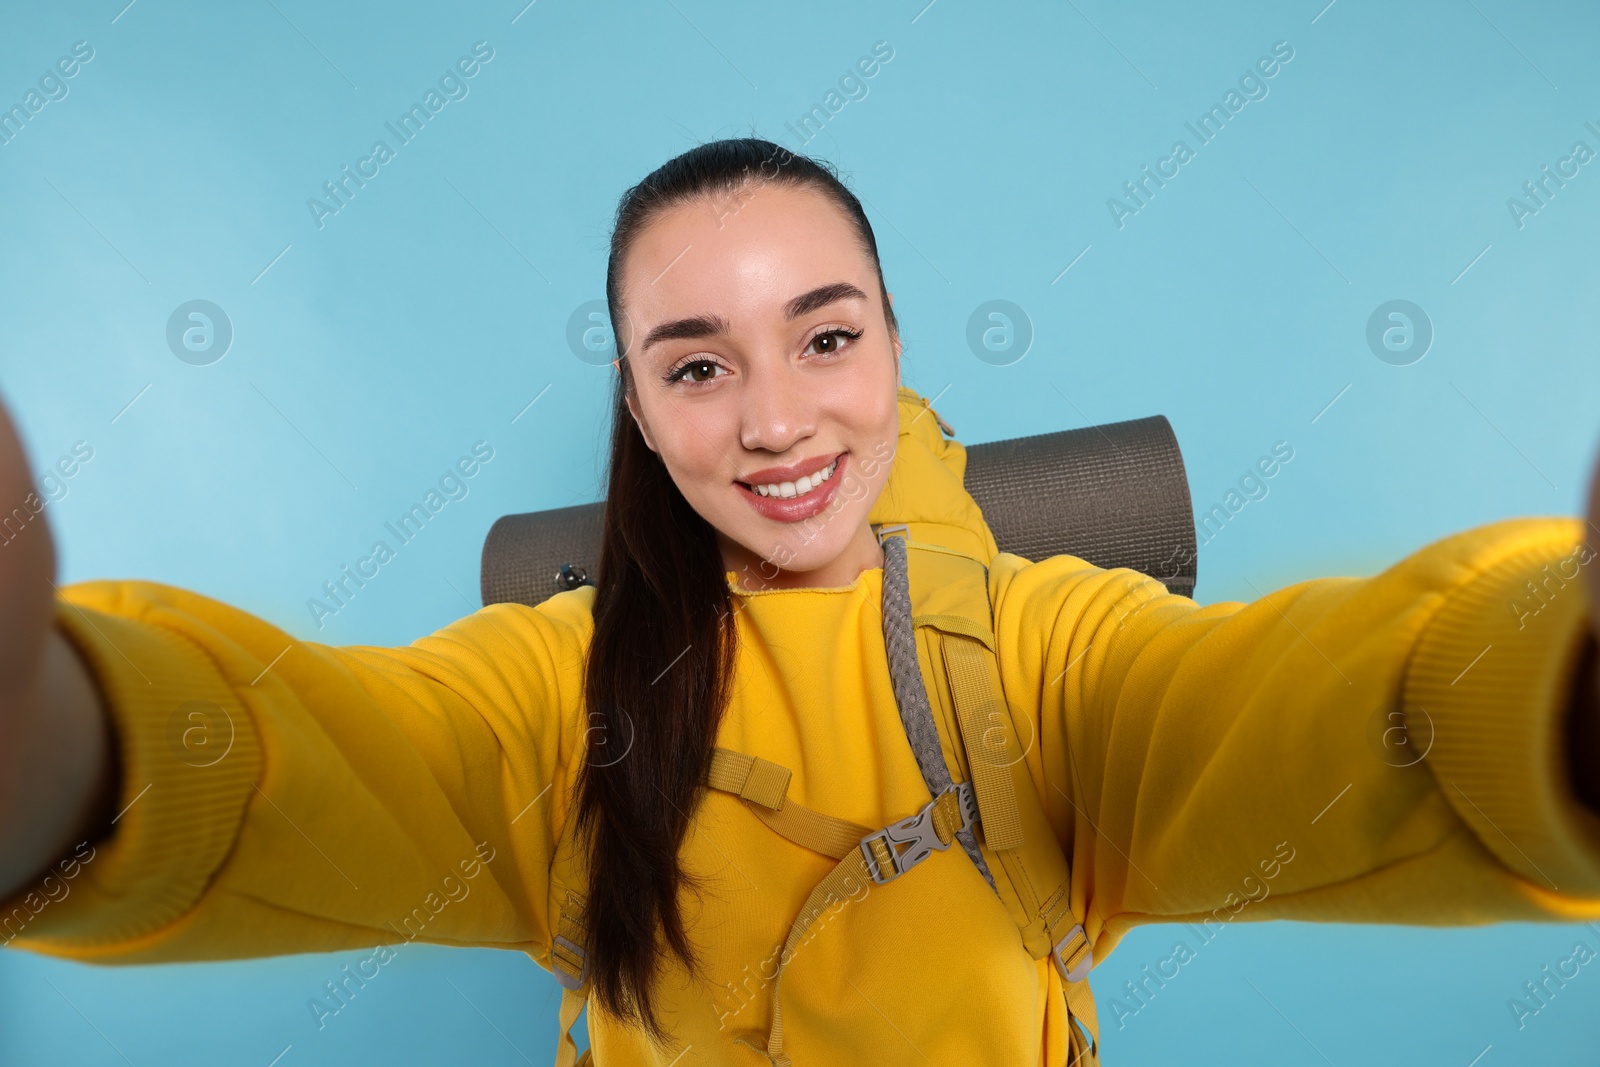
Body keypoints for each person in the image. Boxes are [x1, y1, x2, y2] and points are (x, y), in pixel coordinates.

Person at [1, 137, 1598, 1066]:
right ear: (636, 407)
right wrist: (36, 710)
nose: (772, 420)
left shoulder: (1040, 656)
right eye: (698, 366)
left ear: (894, 349)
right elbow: (303, 764)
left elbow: (1335, 717)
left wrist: (1567, 679)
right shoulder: (562, 692)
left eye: (825, 339)